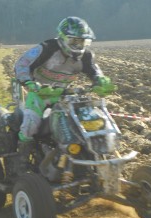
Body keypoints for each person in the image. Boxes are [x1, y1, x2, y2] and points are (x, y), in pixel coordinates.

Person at [13, 16, 117, 151]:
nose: (78, 46)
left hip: (64, 95)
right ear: (63, 38)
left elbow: (94, 71)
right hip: (39, 94)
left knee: (87, 119)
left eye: (82, 42)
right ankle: (23, 154)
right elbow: (23, 63)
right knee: (31, 123)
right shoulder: (47, 48)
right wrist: (29, 82)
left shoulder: (86, 56)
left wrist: (101, 81)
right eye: (74, 41)